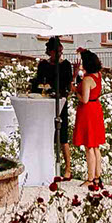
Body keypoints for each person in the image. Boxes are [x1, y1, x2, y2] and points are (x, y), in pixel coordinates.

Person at [31, 37, 75, 179]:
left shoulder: (65, 65)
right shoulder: (44, 65)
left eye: (60, 52)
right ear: (50, 52)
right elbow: (38, 82)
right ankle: (46, 165)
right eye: (56, 52)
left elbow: (67, 84)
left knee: (63, 136)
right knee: (47, 135)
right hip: (45, 101)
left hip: (60, 101)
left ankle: (68, 168)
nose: (59, 55)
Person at [73, 48, 109, 186]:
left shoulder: (87, 79)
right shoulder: (98, 75)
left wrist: (75, 91)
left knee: (89, 146)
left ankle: (90, 178)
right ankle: (97, 176)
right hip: (96, 109)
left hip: (87, 111)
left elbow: (85, 99)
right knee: (95, 146)